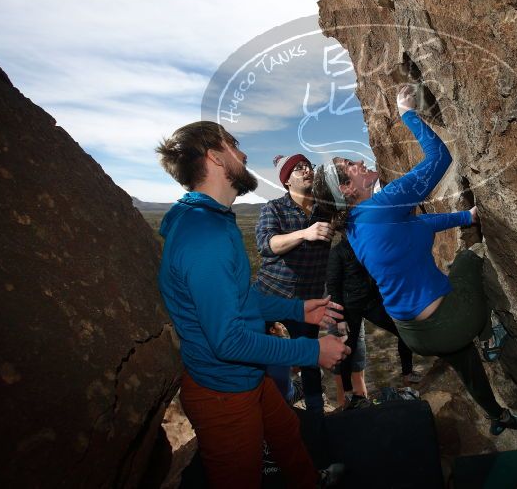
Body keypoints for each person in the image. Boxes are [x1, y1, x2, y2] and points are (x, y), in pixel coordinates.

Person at [312, 85, 517, 436]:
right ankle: (489, 331)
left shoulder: (357, 226)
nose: (361, 161)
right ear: (348, 189)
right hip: (447, 322)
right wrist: (407, 112)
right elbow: (439, 158)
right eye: (351, 165)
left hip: (415, 335)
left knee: (465, 362)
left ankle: (497, 417)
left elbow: (415, 226)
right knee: (471, 259)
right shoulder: (384, 203)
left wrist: (463, 218)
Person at [156, 121, 348, 488]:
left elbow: (241, 299)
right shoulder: (205, 237)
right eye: (233, 145)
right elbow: (228, 342)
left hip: (244, 376)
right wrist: (312, 351)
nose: (243, 154)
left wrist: (297, 309)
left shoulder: (213, 220)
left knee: (287, 434)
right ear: (215, 157)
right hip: (223, 392)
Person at [255, 154, 334, 414]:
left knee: (309, 356)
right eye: (297, 168)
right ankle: (261, 405)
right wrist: (305, 233)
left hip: (306, 303)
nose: (305, 170)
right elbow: (267, 245)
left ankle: (315, 414)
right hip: (269, 296)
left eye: (307, 165)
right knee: (254, 351)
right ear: (287, 181)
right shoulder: (274, 208)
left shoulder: (327, 209)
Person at [326, 234, 422, 409]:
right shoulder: (337, 252)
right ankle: (348, 394)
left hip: (372, 302)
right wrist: (340, 318)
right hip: (350, 308)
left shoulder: (367, 244)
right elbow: (333, 286)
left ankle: (407, 373)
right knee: (348, 348)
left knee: (402, 329)